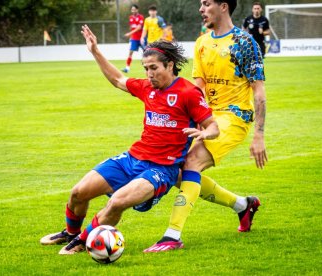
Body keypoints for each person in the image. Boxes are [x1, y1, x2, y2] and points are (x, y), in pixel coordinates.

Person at [40, 24, 220, 255]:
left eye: (153, 68)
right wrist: (95, 50)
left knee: (117, 202)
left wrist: (205, 133)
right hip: (132, 158)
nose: (149, 74)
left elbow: (213, 126)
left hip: (162, 169)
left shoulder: (188, 92)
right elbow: (117, 79)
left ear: (170, 65)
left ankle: (83, 241)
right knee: (78, 192)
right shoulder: (147, 88)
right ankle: (71, 233)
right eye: (145, 68)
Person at [144, 0, 267, 253]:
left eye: (206, 3)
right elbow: (196, 89)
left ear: (223, 6)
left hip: (234, 118)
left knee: (191, 164)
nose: (201, 9)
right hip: (207, 117)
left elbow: (260, 93)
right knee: (178, 170)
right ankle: (243, 205)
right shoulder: (202, 42)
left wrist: (259, 136)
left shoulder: (245, 42)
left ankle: (172, 235)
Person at [121, 4, 145, 73]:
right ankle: (127, 68)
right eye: (132, 10)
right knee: (130, 53)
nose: (133, 11)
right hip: (134, 38)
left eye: (134, 9)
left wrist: (129, 33)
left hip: (141, 38)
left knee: (146, 53)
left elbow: (139, 27)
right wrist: (131, 36)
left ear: (137, 10)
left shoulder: (141, 17)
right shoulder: (131, 17)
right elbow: (132, 27)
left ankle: (147, 68)